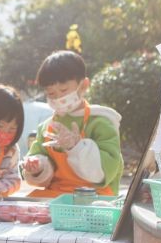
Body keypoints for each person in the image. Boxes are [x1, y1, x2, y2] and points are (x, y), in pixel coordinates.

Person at [22, 51, 123, 198]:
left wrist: (77, 147)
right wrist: (37, 167)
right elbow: (37, 159)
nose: (58, 98)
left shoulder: (101, 123)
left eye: (63, 90)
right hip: (56, 195)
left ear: (84, 86)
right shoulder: (47, 127)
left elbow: (106, 171)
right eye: (51, 94)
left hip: (94, 197)